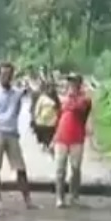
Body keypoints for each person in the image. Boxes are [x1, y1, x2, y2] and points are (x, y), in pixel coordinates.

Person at [0, 61, 35, 209]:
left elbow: (33, 92)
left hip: (12, 134)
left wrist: (32, 78)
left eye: (9, 74)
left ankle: (28, 200)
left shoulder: (16, 93)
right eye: (4, 74)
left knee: (20, 167)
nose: (7, 77)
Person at [52, 73, 93, 208]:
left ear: (79, 84)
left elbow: (80, 109)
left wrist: (72, 97)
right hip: (61, 136)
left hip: (76, 137)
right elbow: (58, 116)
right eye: (70, 82)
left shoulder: (84, 99)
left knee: (75, 168)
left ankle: (74, 195)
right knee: (60, 168)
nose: (72, 85)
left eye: (74, 82)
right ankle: (59, 197)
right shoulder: (63, 99)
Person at [33, 80, 60, 152]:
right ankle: (44, 144)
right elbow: (38, 107)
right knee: (42, 133)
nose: (51, 89)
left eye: (52, 87)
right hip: (42, 120)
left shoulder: (56, 98)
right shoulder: (42, 97)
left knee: (50, 134)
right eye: (49, 87)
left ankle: (49, 146)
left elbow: (58, 108)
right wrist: (35, 116)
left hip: (52, 121)